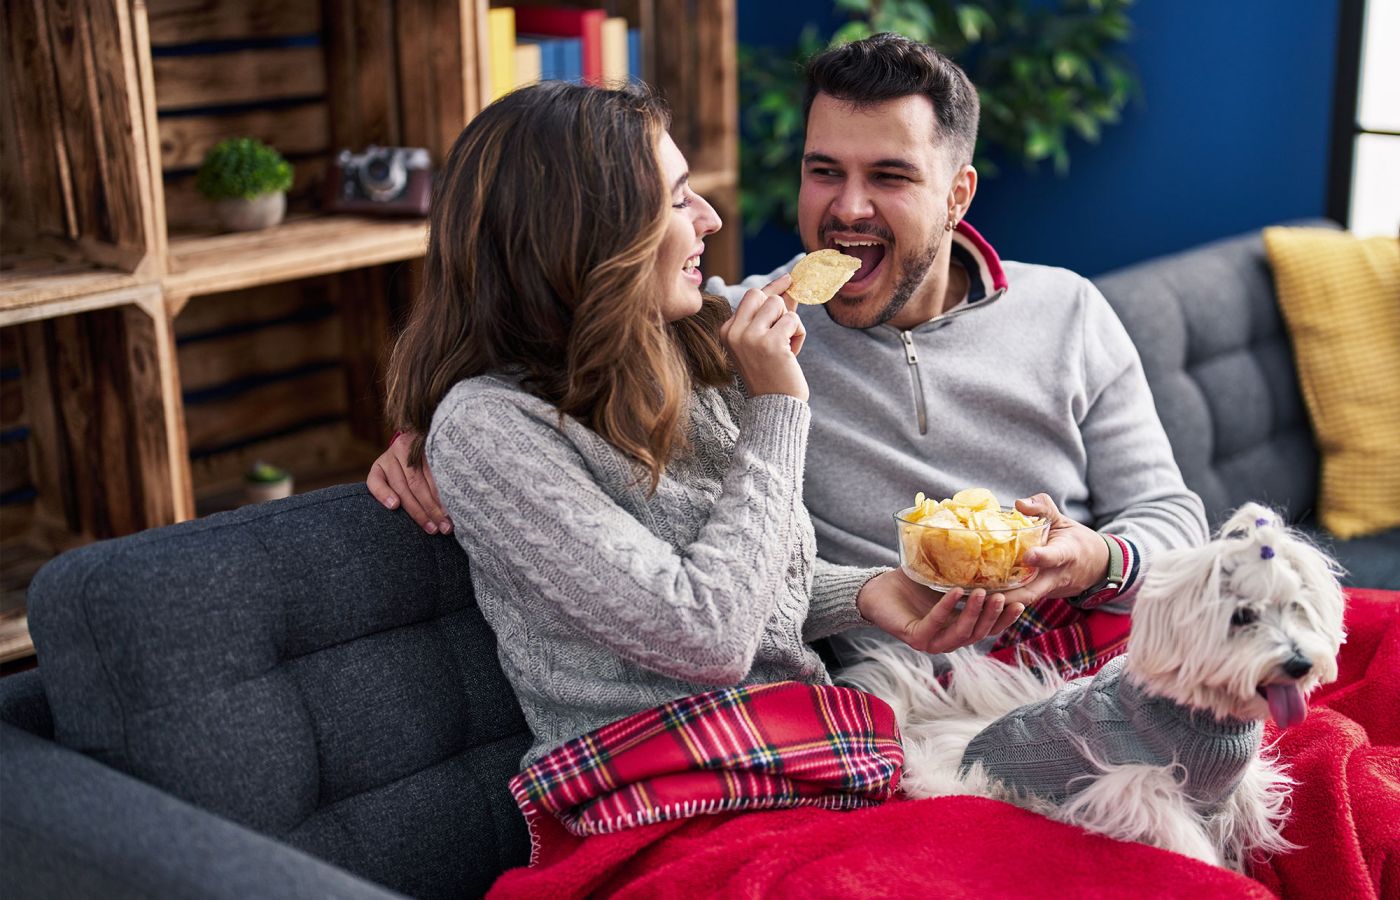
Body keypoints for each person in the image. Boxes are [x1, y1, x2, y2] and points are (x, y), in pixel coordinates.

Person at [373, 34, 1208, 677]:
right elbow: (553, 322)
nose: (848, 208)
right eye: (822, 171)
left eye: (889, 175)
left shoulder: (1068, 309)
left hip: (1099, 648)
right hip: (911, 701)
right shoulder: (742, 329)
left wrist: (1091, 558)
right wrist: (419, 434)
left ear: (958, 194)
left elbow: (1173, 520)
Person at [381, 79, 1022, 773]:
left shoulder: (690, 352)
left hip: (802, 752)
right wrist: (778, 408)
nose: (712, 219)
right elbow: (706, 637)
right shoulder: (491, 428)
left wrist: (867, 593)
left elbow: (741, 585)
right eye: (679, 197)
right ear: (590, 233)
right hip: (664, 787)